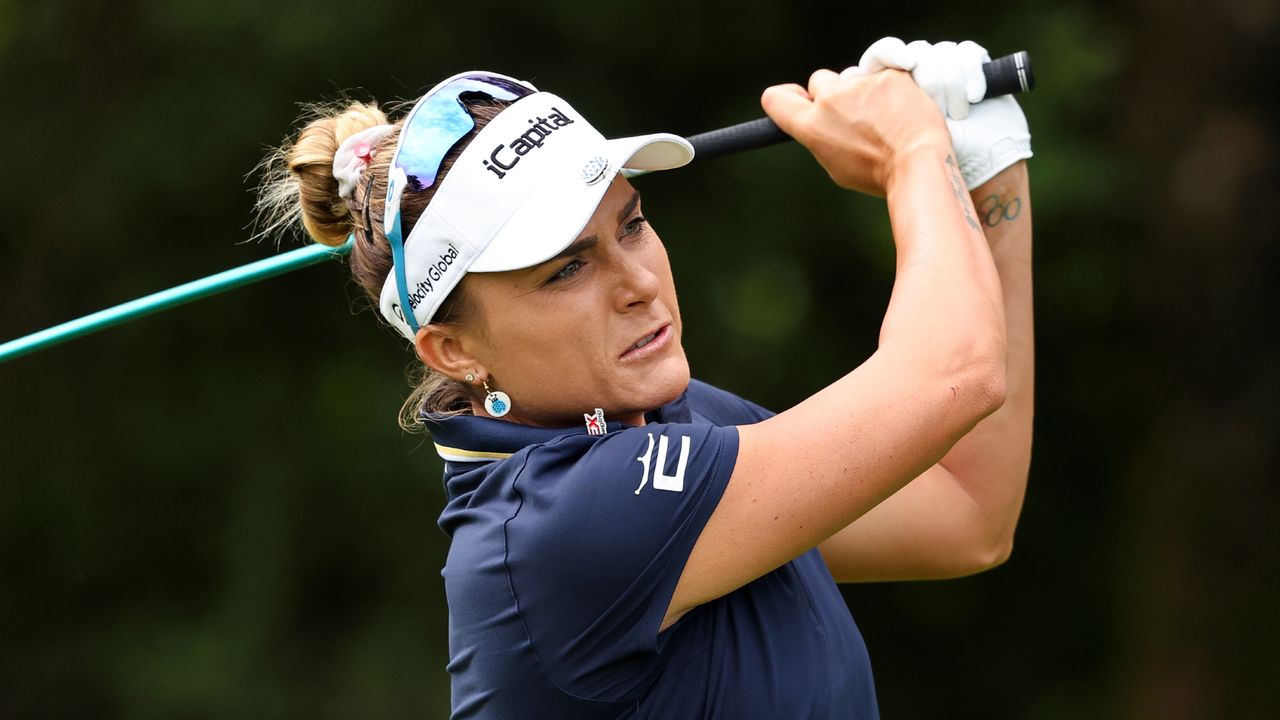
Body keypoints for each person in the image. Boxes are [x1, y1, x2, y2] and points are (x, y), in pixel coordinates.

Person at [257, 36, 1034, 719]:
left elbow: (966, 511)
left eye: (631, 223)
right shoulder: (561, 528)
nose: (639, 282)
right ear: (452, 351)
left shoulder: (662, 420)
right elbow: (954, 372)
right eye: (567, 268)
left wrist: (986, 175)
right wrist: (914, 156)